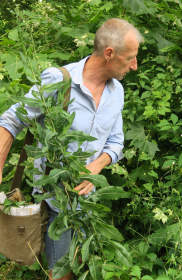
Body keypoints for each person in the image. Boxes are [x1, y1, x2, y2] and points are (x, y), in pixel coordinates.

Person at [0, 18, 143, 280]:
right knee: (62, 273)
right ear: (109, 54)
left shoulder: (117, 91)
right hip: (57, 203)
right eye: (130, 58)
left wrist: (96, 167)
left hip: (90, 202)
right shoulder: (59, 80)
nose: (134, 66)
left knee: (85, 266)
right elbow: (10, 121)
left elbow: (116, 143)